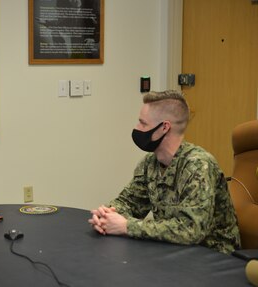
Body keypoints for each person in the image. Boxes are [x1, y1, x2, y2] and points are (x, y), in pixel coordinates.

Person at [88, 90, 240, 254]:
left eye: (143, 123)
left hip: (213, 253)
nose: (137, 128)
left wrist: (126, 226)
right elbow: (130, 202)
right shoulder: (150, 163)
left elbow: (191, 230)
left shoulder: (198, 165)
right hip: (174, 249)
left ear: (164, 127)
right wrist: (108, 214)